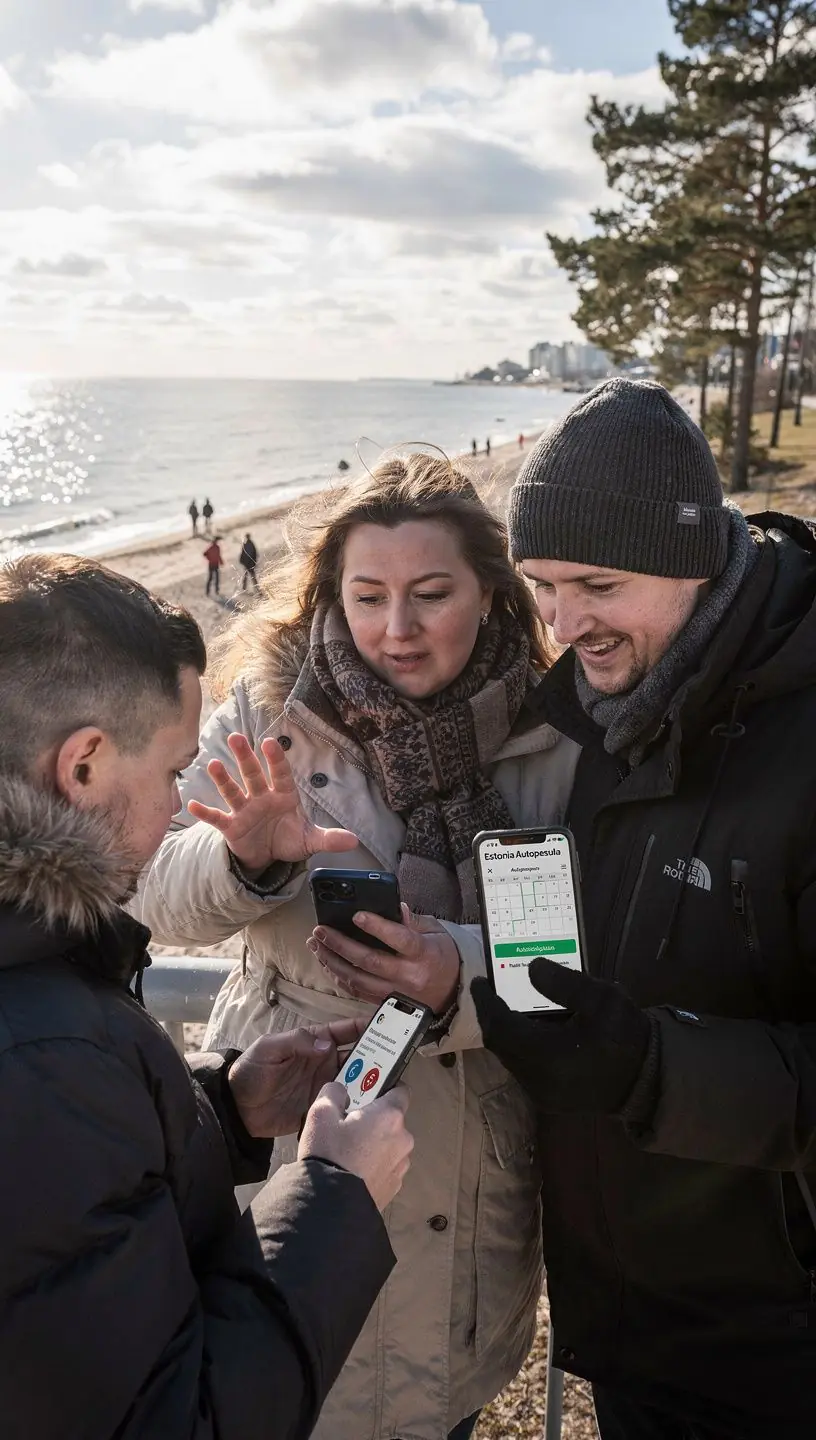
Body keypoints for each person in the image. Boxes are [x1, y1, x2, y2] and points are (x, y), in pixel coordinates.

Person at [137, 454, 580, 1440]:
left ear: (492, 592)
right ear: (330, 592)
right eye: (368, 595)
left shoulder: (556, 739)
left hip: (467, 1167)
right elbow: (154, 893)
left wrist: (452, 973)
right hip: (300, 1143)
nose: (397, 630)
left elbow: (569, 966)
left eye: (432, 595)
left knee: (436, 1404)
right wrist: (242, 861)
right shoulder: (270, 711)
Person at [0, 553, 415, 1440]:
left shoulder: (42, 1012)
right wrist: (335, 1196)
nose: (178, 807)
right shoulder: (48, 1060)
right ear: (82, 765)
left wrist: (219, 1109)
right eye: (174, 774)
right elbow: (178, 1419)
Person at [472, 377, 816, 1439]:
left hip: (775, 1350)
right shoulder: (596, 709)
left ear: (696, 560)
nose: (564, 626)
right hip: (627, 1320)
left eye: (597, 583)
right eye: (539, 586)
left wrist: (649, 1068)